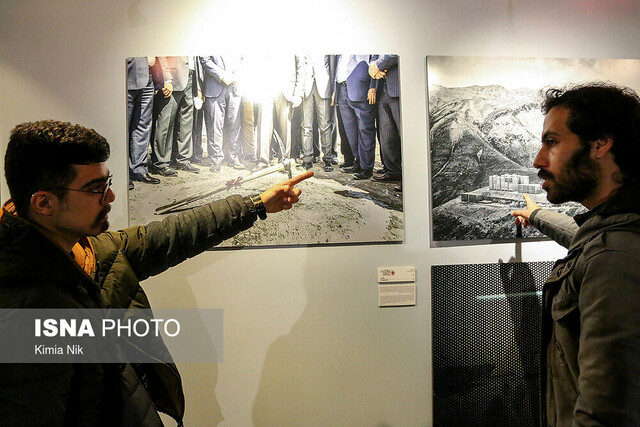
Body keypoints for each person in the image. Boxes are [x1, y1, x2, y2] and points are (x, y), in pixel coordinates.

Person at [0, 120, 313, 426]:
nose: (109, 197)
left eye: (107, 183)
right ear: (44, 203)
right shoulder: (21, 306)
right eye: (96, 189)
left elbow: (169, 235)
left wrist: (257, 204)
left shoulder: (85, 253)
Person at [510, 83, 640, 426]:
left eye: (552, 142)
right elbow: (583, 238)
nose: (539, 160)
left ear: (599, 143)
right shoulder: (615, 229)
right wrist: (537, 215)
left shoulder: (614, 258)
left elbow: (606, 413)